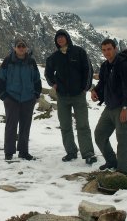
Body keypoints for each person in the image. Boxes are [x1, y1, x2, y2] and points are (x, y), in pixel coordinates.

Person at [44, 29, 97, 164]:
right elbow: (48, 72)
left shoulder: (79, 52)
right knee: (65, 126)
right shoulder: (55, 56)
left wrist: (85, 88)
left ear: (67, 38)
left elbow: (88, 69)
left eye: (62, 37)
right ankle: (71, 152)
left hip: (78, 95)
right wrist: (53, 84)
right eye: (58, 38)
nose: (60, 40)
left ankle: (88, 153)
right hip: (62, 97)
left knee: (83, 125)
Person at [91, 38, 127, 175]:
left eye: (109, 49)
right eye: (104, 50)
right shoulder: (105, 66)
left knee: (123, 139)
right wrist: (95, 91)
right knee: (99, 134)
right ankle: (111, 161)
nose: (106, 53)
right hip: (109, 107)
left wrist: (126, 108)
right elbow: (103, 83)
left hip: (122, 108)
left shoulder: (123, 64)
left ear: (115, 48)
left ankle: (123, 171)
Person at [0, 37, 42, 161]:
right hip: (12, 98)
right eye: (19, 46)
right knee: (11, 125)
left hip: (28, 98)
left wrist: (36, 94)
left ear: (26, 48)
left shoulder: (31, 62)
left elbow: (37, 79)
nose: (21, 48)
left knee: (25, 126)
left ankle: (23, 152)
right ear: (15, 48)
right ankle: (9, 153)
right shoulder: (8, 61)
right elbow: (0, 79)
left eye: (23, 46)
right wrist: (4, 96)